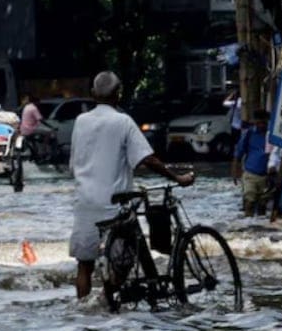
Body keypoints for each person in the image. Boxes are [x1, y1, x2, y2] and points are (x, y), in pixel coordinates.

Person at [69, 70, 194, 300]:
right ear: (118, 94)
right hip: (114, 206)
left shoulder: (80, 121)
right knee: (124, 261)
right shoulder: (123, 121)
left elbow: (74, 165)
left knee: (84, 266)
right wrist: (177, 178)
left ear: (93, 93)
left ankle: (84, 312)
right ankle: (110, 302)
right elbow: (147, 159)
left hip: (85, 204)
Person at [231, 108, 274, 218]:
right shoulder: (249, 134)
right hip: (251, 174)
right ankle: (248, 225)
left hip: (267, 176)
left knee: (262, 206)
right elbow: (238, 153)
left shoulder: (272, 135)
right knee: (249, 201)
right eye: (258, 122)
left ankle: (258, 229)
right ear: (255, 122)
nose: (261, 125)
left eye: (263, 122)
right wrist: (235, 172)